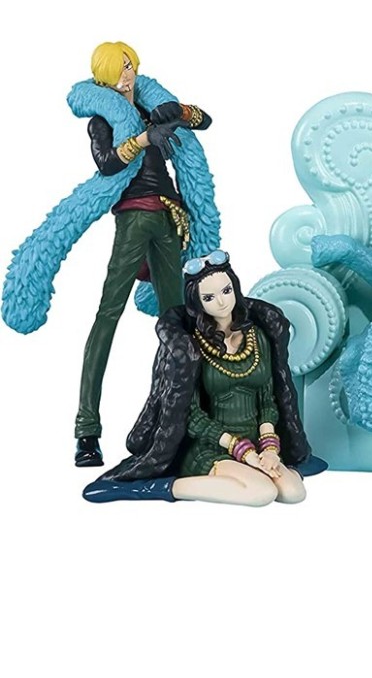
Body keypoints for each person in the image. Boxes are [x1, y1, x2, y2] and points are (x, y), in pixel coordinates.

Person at [1, 40, 219, 466]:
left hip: (170, 220)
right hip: (134, 217)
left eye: (128, 66)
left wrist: (176, 111)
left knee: (178, 322)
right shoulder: (104, 119)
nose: (125, 76)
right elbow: (107, 163)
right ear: (102, 79)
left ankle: (184, 421)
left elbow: (205, 120)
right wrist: (144, 138)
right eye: (116, 70)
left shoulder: (152, 107)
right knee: (108, 315)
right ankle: (87, 430)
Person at [84, 252, 316, 505]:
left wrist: (270, 448)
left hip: (256, 443)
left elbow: (267, 400)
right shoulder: (192, 346)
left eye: (226, 290)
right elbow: (191, 415)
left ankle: (256, 471)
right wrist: (241, 450)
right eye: (209, 297)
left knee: (293, 492)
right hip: (211, 445)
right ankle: (157, 488)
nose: (221, 302)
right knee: (262, 493)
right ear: (198, 303)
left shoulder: (256, 337)